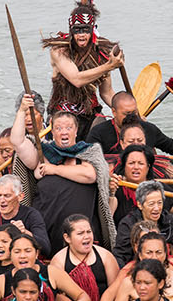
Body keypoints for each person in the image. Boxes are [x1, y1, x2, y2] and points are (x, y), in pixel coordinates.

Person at [9, 92, 117, 256]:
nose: (64, 132)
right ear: (52, 130)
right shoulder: (42, 152)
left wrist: (53, 169)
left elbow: (90, 175)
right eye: (58, 128)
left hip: (82, 235)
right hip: (46, 232)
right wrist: (22, 111)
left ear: (76, 130)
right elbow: (17, 141)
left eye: (68, 128)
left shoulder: (89, 152)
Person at [42, 1, 125, 135]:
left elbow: (106, 92)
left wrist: (126, 112)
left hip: (90, 114)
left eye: (85, 30)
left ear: (92, 30)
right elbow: (76, 80)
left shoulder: (101, 53)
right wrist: (109, 66)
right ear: (71, 31)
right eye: (77, 30)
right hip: (62, 115)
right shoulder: (59, 51)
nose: (81, 35)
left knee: (107, 133)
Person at [86, 91, 173, 162]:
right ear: (113, 112)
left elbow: (168, 144)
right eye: (127, 113)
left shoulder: (148, 129)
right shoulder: (99, 132)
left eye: (134, 112)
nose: (132, 116)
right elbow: (89, 159)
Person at [47, 214, 120, 301]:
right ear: (67, 238)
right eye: (80, 233)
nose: (86, 236)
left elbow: (114, 290)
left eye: (89, 232)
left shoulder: (106, 256)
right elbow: (58, 296)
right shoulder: (59, 260)